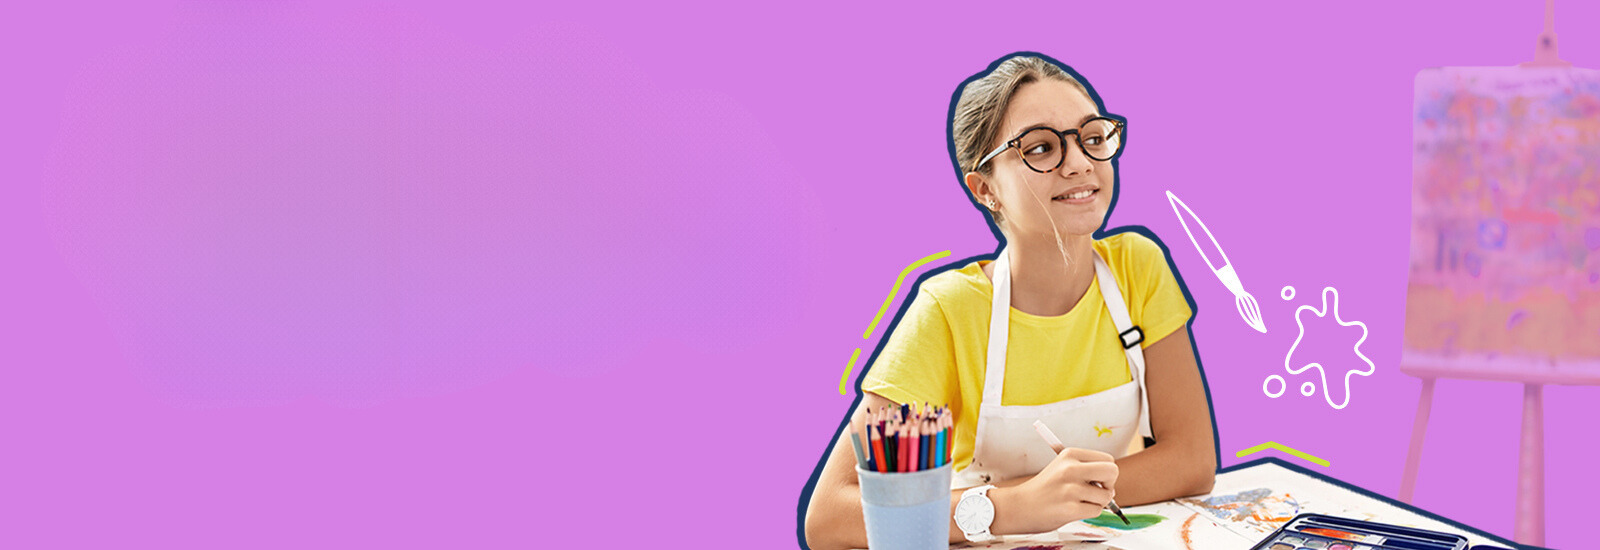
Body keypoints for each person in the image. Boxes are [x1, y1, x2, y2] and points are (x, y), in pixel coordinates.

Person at [802, 54, 1217, 550]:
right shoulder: (948, 311)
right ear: (985, 189)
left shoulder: (1138, 268)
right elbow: (829, 515)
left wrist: (1054, 497)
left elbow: (1192, 460)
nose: (1080, 163)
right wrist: (1012, 508)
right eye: (1041, 148)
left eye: (1092, 138)